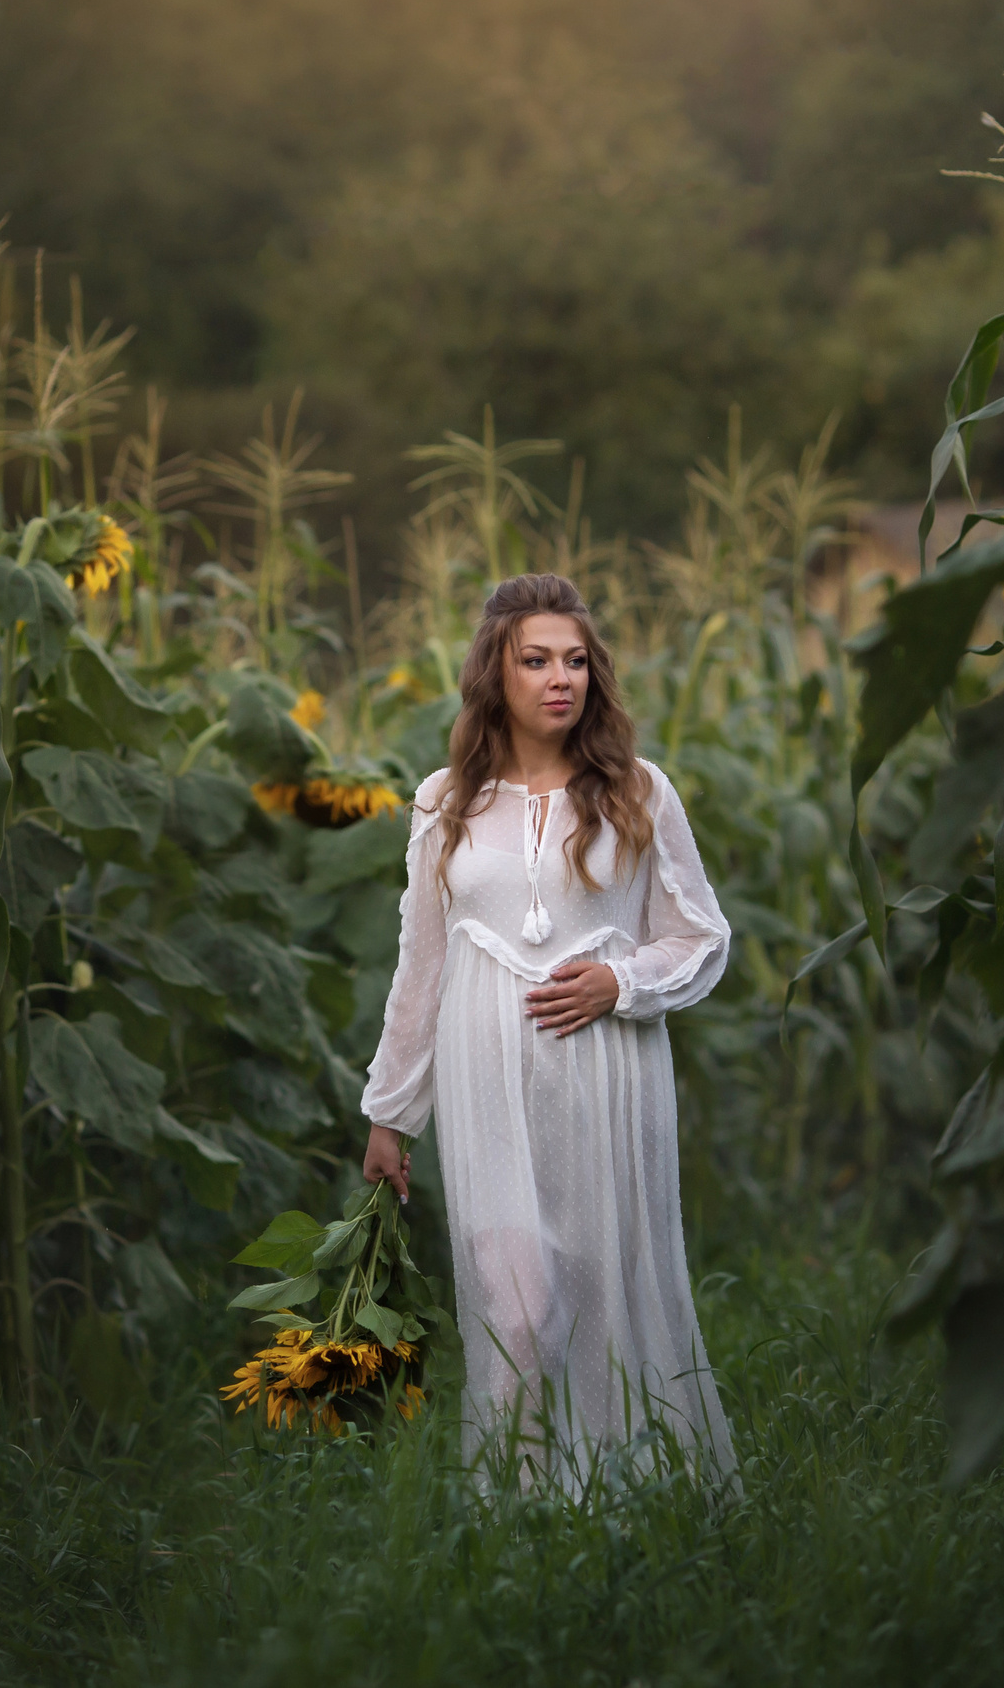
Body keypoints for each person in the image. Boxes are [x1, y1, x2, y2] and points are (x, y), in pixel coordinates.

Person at [360, 572, 735, 1489]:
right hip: (486, 1084)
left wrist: (620, 980)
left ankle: (628, 1496)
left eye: (574, 660)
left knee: (603, 1298)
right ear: (498, 672)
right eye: (535, 660)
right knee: (517, 1309)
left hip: (606, 1078)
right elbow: (423, 966)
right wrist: (390, 1114)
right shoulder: (444, 801)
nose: (558, 678)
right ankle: (520, 1511)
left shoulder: (637, 791)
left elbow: (701, 936)